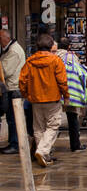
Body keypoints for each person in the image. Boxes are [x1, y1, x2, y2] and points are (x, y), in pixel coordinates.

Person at [18, 34, 67, 168]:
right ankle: (43, 151)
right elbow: (62, 81)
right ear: (51, 46)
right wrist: (66, 96)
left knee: (38, 128)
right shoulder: (56, 61)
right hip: (52, 98)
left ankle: (43, 154)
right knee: (53, 126)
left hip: (36, 99)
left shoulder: (30, 61)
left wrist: (26, 94)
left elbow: (22, 80)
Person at [55, 38, 87, 152]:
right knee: (72, 117)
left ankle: (46, 146)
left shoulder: (53, 56)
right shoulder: (71, 57)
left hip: (55, 91)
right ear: (69, 46)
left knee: (51, 119)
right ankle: (75, 144)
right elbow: (79, 71)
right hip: (70, 91)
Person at [0, 27, 26, 155]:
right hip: (12, 87)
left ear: (6, 38)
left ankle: (15, 144)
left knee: (13, 117)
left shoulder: (13, 51)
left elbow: (5, 71)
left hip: (14, 88)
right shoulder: (9, 49)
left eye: (0, 38)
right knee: (12, 116)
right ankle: (14, 142)